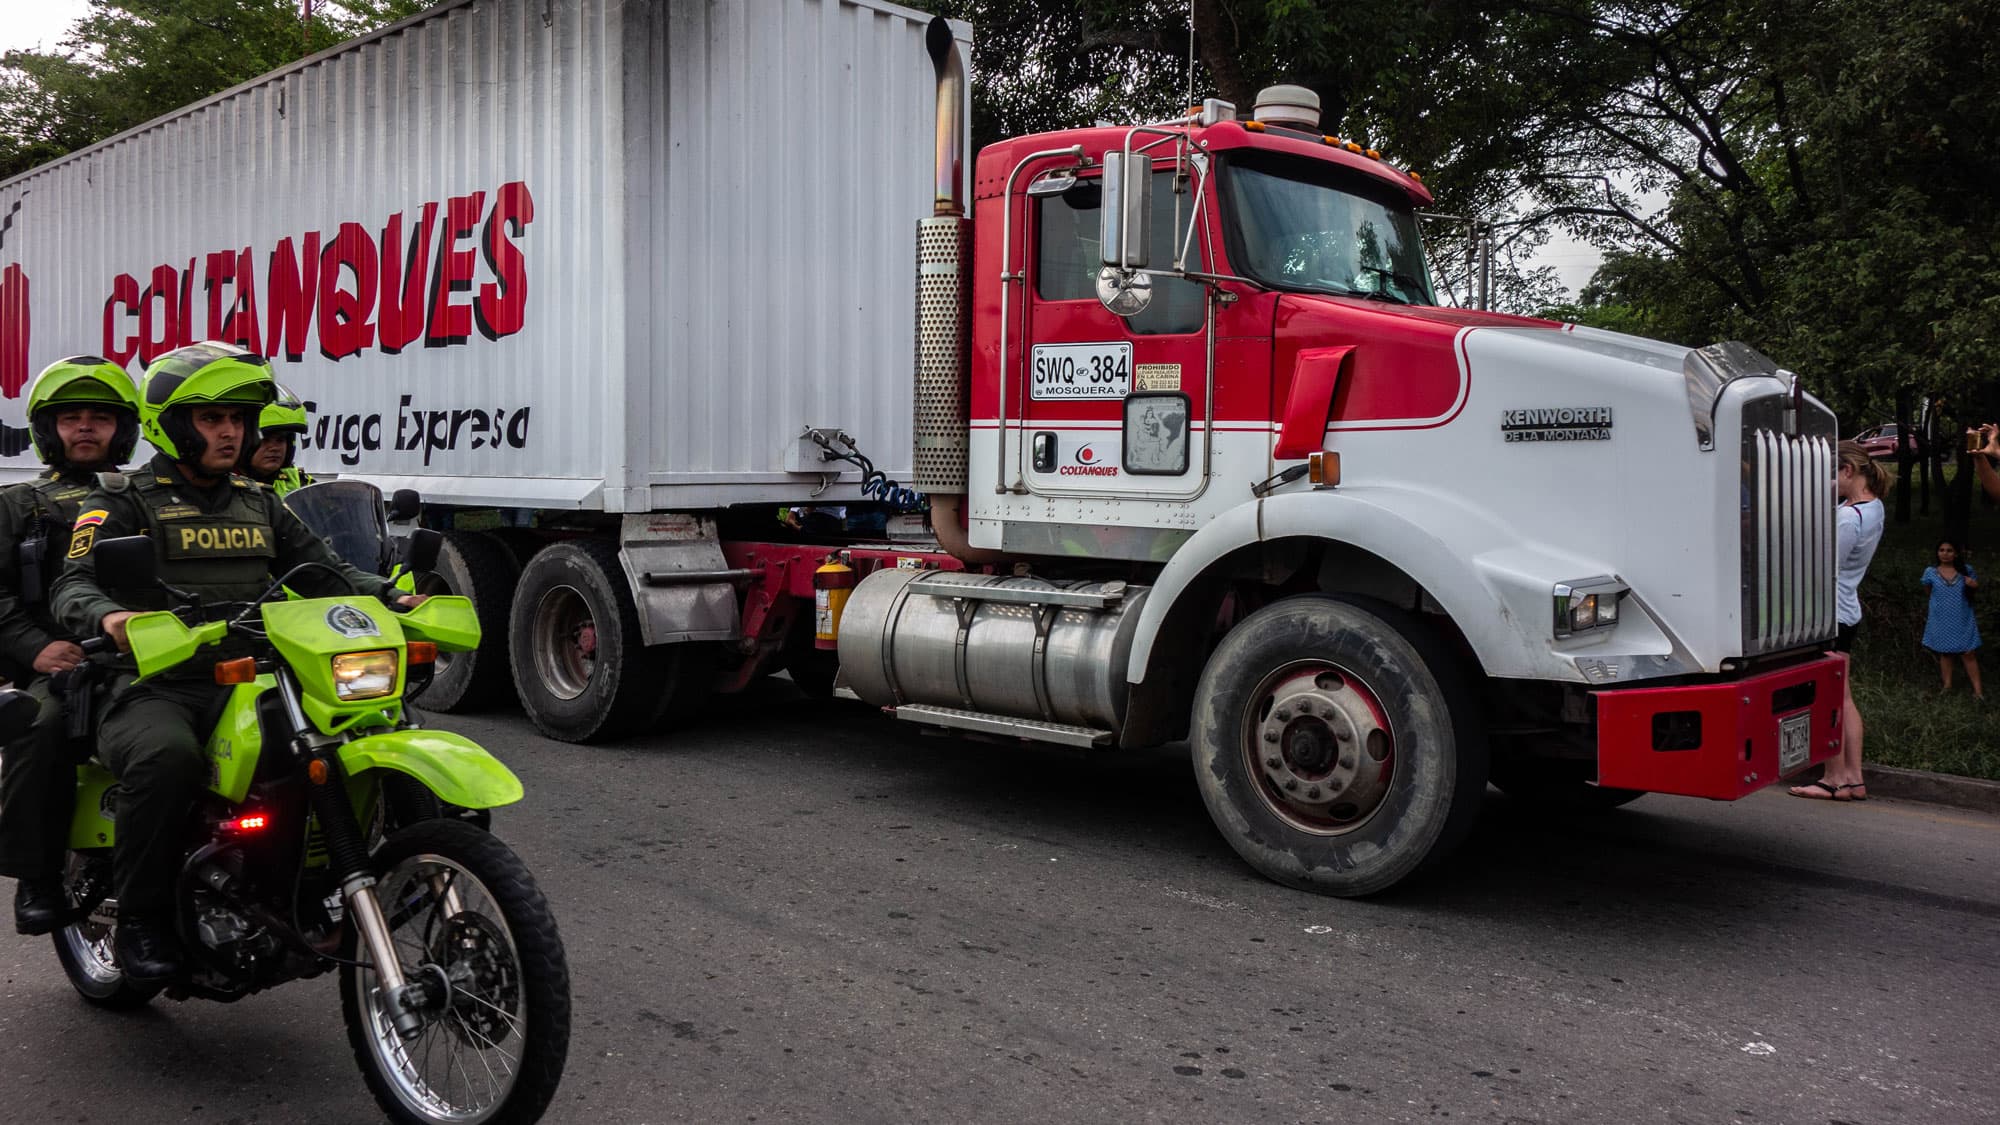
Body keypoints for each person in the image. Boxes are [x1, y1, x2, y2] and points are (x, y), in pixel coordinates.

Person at [50, 341, 424, 983]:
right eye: (211, 420)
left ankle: (345, 878)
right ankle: (142, 917)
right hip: (153, 683)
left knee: (368, 730)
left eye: (237, 420)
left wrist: (390, 594)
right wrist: (114, 620)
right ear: (172, 426)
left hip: (257, 670)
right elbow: (72, 584)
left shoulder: (259, 501)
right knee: (168, 758)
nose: (230, 432)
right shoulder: (120, 499)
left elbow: (324, 571)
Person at [0, 357, 141, 934]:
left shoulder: (145, 493)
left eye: (100, 417)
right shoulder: (18, 502)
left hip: (153, 654)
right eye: (72, 417)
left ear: (123, 427)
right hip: (64, 662)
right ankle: (36, 873)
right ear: (47, 429)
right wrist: (36, 649)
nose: (85, 427)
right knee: (41, 725)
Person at [1791, 440, 1893, 801]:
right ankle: (1854, 778)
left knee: (1830, 697)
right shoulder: (1872, 507)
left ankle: (1834, 778)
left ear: (1848, 471)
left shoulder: (1850, 517)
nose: (1829, 483)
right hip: (1847, 611)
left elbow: (1822, 568)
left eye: (1832, 476)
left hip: (1830, 615)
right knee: (1844, 697)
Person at [1920, 538, 1981, 699]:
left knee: (1968, 653)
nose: (1945, 554)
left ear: (1955, 554)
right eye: (1942, 550)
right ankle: (1947, 686)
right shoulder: (1930, 572)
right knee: (1945, 653)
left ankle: (1978, 691)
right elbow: (1928, 592)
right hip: (1940, 618)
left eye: (1949, 550)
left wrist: (1974, 586)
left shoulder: (1966, 571)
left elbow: (1973, 591)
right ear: (1937, 552)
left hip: (1962, 617)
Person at [238, 381, 314, 496]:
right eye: (265, 440)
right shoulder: (223, 488)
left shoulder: (302, 484)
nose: (274, 448)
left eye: (281, 440)